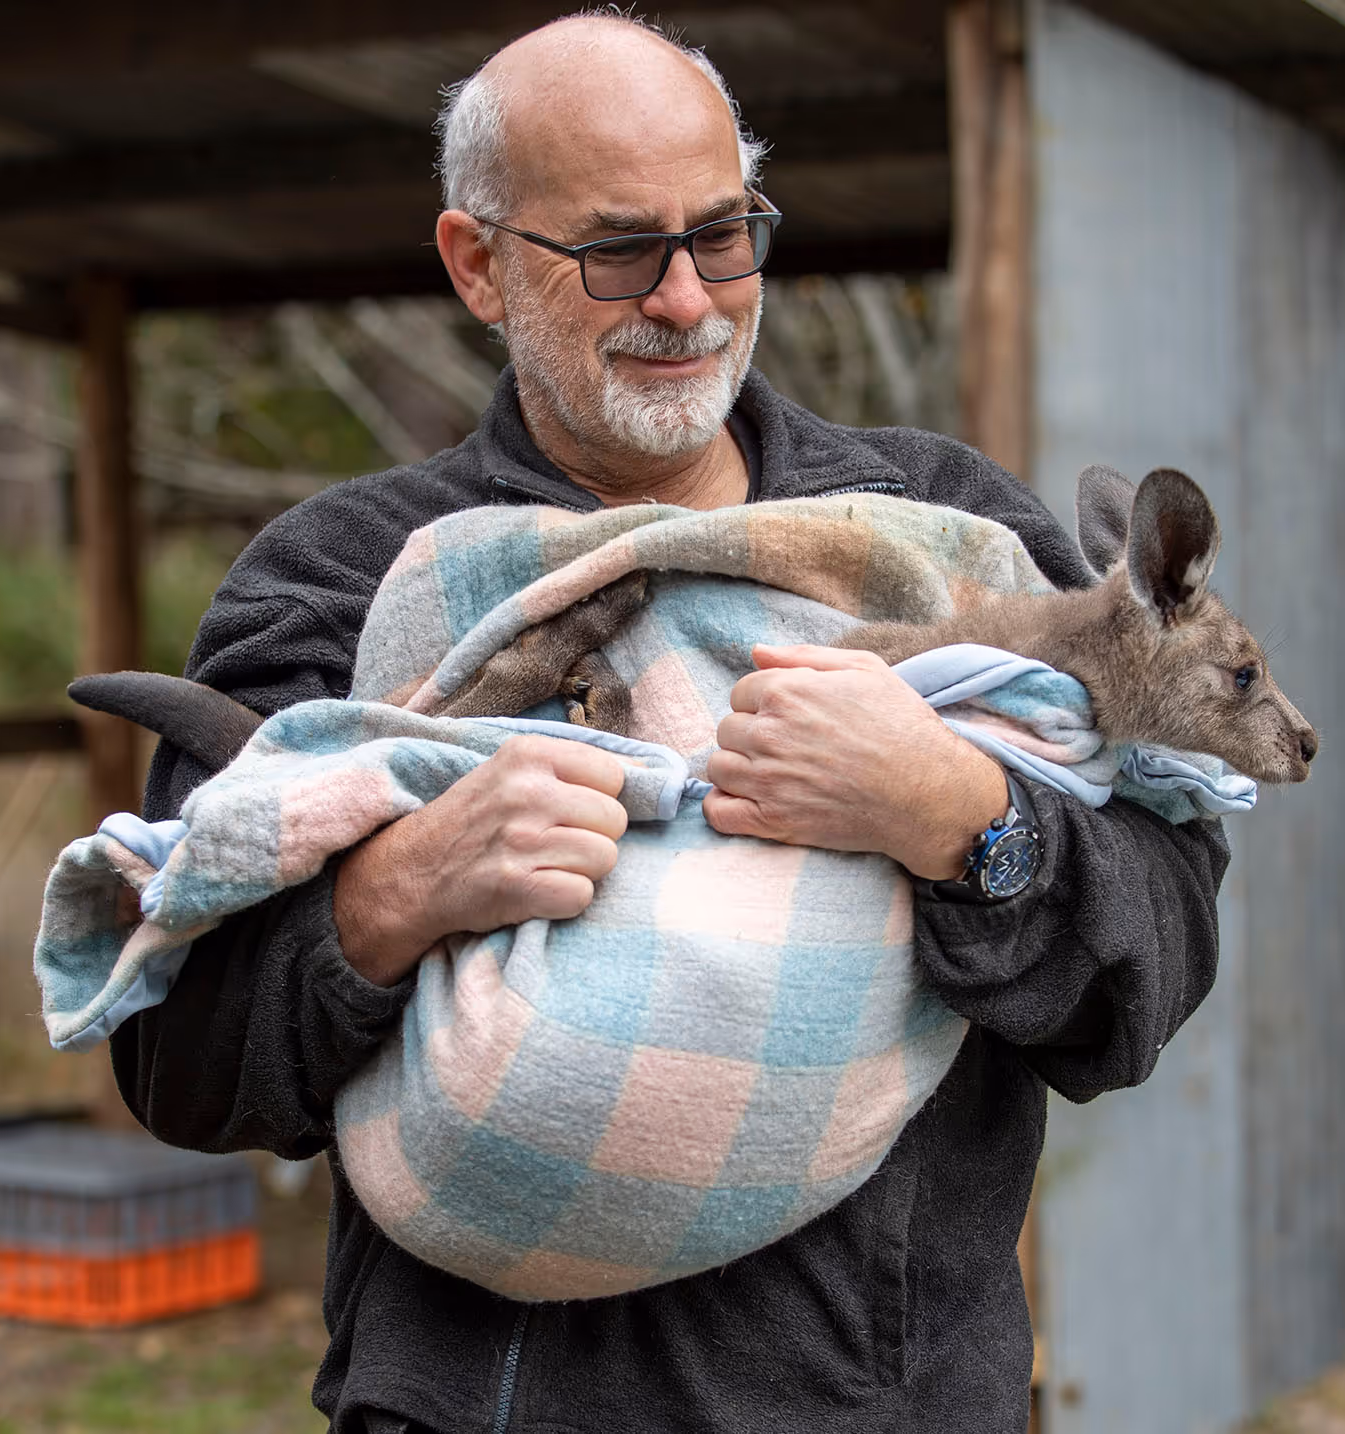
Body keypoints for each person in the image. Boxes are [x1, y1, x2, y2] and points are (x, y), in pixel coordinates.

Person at [116, 13, 1228, 1433]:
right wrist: (390, 895)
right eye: (619, 249)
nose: (690, 299)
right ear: (478, 264)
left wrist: (964, 820)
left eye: (725, 233)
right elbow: (177, 1058)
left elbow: (1152, 970)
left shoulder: (948, 541)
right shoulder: (342, 580)